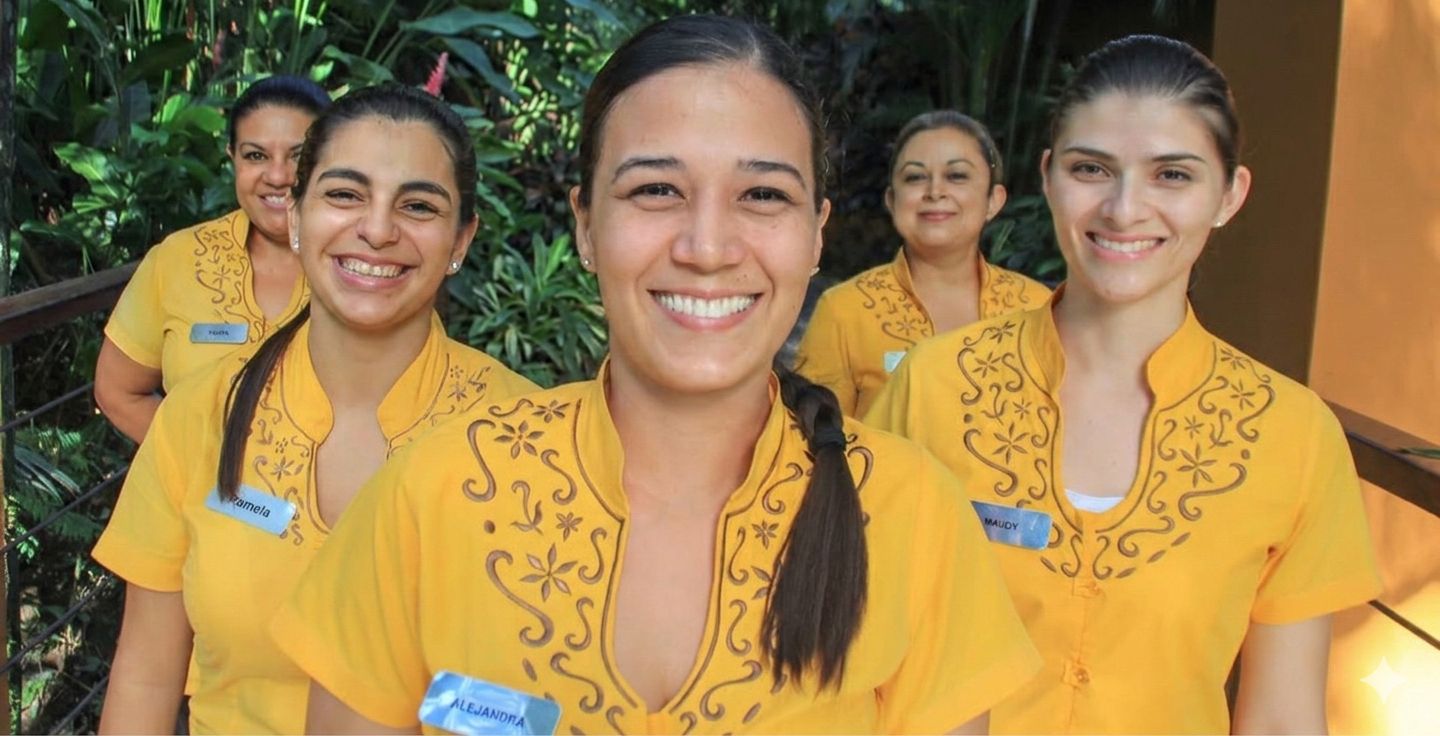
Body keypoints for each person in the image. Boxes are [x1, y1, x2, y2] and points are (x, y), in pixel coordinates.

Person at [272, 15, 1038, 735]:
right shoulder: (433, 492)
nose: (707, 247)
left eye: (763, 195)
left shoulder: (913, 517)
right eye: (656, 190)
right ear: (585, 224)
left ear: (815, 236)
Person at [866, 35, 1382, 734]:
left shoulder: (1293, 436)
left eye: (1172, 175)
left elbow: (1282, 721)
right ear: (1049, 177)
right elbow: (855, 655)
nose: (1124, 208)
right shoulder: (935, 386)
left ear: (1229, 195)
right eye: (1092, 169)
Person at [91, 84, 538, 734]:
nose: (377, 230)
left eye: (417, 205)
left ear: (460, 239)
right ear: (296, 218)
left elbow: (529, 703)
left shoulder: (524, 439)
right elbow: (145, 676)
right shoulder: (202, 415)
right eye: (345, 195)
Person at [95, 75, 329, 443]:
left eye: (299, 156)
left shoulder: (368, 265)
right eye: (256, 155)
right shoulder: (179, 259)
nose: (278, 175)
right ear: (232, 159)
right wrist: (194, 463)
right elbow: (118, 391)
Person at [794, 110, 1050, 417]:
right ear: (892, 200)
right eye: (915, 177)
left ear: (993, 200)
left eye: (957, 176)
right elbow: (813, 436)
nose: (935, 192)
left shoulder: (1038, 309)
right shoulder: (844, 312)